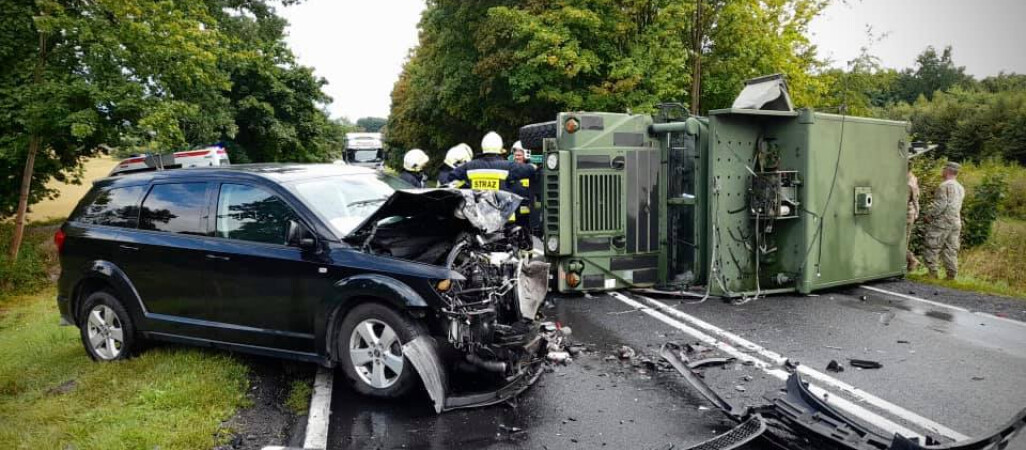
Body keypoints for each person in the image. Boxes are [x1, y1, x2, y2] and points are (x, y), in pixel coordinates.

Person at [450, 132, 535, 197]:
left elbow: (451, 176)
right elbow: (529, 170)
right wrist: (533, 166)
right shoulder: (507, 166)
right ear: (499, 147)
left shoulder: (469, 166)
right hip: (502, 216)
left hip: (478, 215)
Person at [922, 161, 965, 280]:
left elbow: (940, 205)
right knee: (951, 249)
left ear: (948, 171)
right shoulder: (960, 187)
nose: (942, 171)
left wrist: (930, 216)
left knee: (932, 245)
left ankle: (932, 273)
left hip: (942, 221)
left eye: (943, 169)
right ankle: (951, 275)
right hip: (956, 221)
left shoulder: (944, 186)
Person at [906, 169, 921, 272]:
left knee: (899, 242)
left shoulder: (908, 183)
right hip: (910, 213)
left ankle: (912, 260)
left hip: (905, 214)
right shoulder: (913, 179)